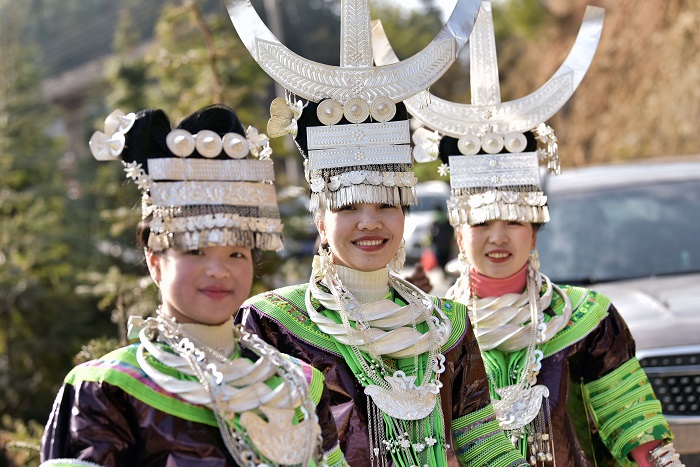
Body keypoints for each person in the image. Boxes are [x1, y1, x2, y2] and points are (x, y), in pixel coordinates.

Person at [373, 2, 682, 465]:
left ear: (535, 233)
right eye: (481, 224)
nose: (498, 238)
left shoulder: (584, 320)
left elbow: (633, 423)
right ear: (459, 233)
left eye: (514, 222)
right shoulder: (430, 332)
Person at [225, 1, 529, 465]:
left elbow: (481, 444)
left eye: (387, 204)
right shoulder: (274, 326)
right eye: (348, 207)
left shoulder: (446, 326)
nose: (370, 223)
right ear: (320, 217)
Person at [40, 105, 346, 467]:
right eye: (196, 250)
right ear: (155, 262)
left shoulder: (301, 382)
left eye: (236, 254)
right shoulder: (107, 389)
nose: (219, 270)